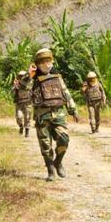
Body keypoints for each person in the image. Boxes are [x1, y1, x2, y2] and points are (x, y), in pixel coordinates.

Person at [30, 48, 77, 181]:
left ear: (52, 62)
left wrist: (73, 109)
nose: (46, 64)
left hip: (59, 114)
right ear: (38, 63)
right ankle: (51, 170)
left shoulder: (57, 77)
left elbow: (65, 92)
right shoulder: (33, 79)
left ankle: (58, 161)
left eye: (48, 61)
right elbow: (22, 88)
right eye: (43, 62)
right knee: (45, 145)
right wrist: (29, 75)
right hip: (42, 116)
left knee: (64, 139)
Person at [11, 70, 33, 137]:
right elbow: (12, 92)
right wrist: (15, 86)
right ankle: (21, 126)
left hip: (27, 103)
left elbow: (29, 88)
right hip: (19, 103)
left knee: (27, 118)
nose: (21, 77)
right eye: (20, 76)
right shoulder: (17, 84)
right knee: (19, 117)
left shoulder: (29, 83)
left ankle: (27, 132)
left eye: (22, 76)